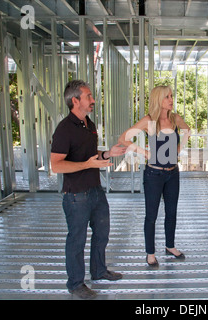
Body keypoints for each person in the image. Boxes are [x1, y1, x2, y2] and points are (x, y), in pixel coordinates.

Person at [51, 80, 127, 299]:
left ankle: (99, 271)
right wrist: (87, 165)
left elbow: (90, 155)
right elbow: (56, 165)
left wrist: (107, 154)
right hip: (76, 195)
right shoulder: (64, 129)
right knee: (76, 240)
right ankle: (75, 284)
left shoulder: (89, 124)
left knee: (102, 233)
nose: (93, 100)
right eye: (88, 96)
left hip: (95, 190)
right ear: (75, 100)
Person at [118, 85, 190, 268]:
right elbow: (123, 139)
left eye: (172, 96)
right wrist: (144, 152)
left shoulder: (175, 119)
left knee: (171, 212)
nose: (171, 100)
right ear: (159, 100)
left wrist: (179, 149)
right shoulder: (150, 120)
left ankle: (170, 246)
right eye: (167, 97)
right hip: (153, 174)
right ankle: (150, 253)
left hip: (172, 173)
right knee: (151, 215)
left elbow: (187, 129)